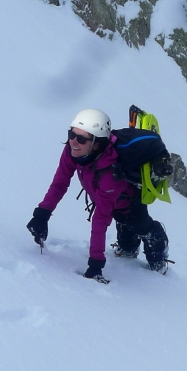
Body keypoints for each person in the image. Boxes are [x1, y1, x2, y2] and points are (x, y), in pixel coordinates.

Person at [26, 108, 169, 280]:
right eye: (71, 134)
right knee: (126, 244)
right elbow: (60, 184)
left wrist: (96, 263)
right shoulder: (73, 151)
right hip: (110, 203)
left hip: (130, 204)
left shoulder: (109, 173)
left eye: (81, 138)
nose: (73, 142)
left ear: (96, 144)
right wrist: (42, 214)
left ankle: (159, 256)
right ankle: (129, 248)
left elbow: (101, 218)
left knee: (143, 228)